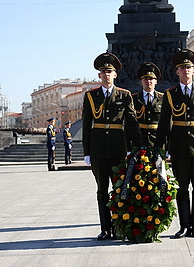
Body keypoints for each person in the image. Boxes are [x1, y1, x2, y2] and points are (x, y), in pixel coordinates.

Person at [155, 49, 194, 239]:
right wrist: (160, 148)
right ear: (177, 71)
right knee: (182, 188)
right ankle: (183, 226)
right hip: (179, 146)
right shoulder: (170, 95)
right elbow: (164, 124)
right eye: (182, 68)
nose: (186, 71)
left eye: (189, 67)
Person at [82, 52, 143, 241]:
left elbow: (132, 123)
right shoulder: (91, 96)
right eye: (103, 72)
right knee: (102, 190)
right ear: (99, 75)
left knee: (118, 190)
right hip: (98, 149)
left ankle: (118, 226)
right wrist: (87, 152)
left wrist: (138, 146)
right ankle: (104, 228)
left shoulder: (124, 95)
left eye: (110, 71)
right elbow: (86, 125)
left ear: (116, 75)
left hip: (118, 148)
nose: (106, 75)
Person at [126, 62, 163, 149]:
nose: (148, 81)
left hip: (157, 142)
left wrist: (169, 147)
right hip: (139, 143)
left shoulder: (163, 99)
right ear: (141, 82)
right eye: (145, 79)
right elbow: (128, 124)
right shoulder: (133, 99)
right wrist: (127, 147)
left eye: (151, 79)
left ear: (156, 81)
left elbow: (168, 125)